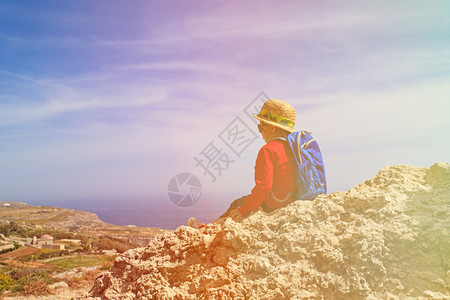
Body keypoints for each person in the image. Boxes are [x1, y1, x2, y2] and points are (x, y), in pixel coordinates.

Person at [188, 99, 298, 228]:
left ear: (272, 127)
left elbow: (264, 188)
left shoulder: (268, 150)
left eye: (260, 126)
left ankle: (207, 228)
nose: (260, 132)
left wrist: (244, 210)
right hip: (293, 199)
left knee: (237, 204)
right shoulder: (295, 148)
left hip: (276, 202)